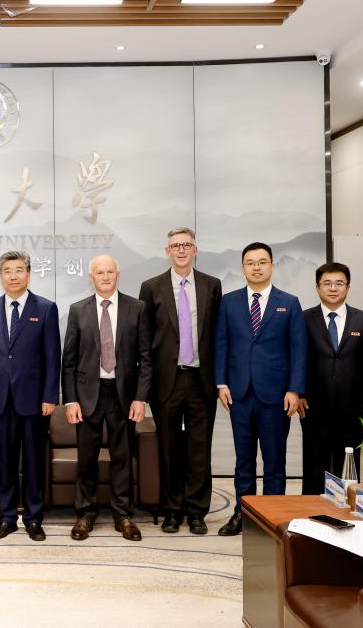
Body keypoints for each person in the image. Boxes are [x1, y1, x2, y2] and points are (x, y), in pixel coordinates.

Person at [215, 242, 307, 536]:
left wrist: (294, 389)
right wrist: (221, 383)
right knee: (243, 461)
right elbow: (221, 343)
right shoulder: (229, 302)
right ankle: (242, 515)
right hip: (239, 394)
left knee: (274, 461)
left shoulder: (289, 302)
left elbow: (298, 349)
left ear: (271, 266)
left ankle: (272, 519)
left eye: (262, 262)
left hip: (276, 395)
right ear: (243, 267)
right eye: (250, 262)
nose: (256, 267)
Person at [138, 227, 222, 535]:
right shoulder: (151, 287)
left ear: (195, 250)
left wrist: (221, 381)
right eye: (176, 246)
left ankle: (197, 511)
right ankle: (172, 510)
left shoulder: (212, 285)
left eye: (187, 245)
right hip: (166, 382)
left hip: (201, 380)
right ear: (167, 251)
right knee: (169, 448)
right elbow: (144, 341)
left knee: (199, 449)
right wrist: (144, 387)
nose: (182, 250)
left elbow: (217, 336)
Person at [62, 255, 151, 542]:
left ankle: (123, 515)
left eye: (110, 271)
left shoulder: (137, 308)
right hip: (87, 394)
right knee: (86, 459)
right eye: (99, 272)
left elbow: (146, 358)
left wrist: (141, 397)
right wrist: (71, 400)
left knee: (122, 457)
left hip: (123, 394)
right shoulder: (78, 310)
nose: (105, 276)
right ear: (91, 277)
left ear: (118, 274)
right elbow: (69, 361)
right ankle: (85, 515)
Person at [0, 250, 61, 541]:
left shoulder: (46, 308)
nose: (13, 276)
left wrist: (50, 395)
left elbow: (53, 357)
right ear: (0, 275)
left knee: (34, 462)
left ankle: (34, 519)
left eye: (18, 270)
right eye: (7, 271)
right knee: (6, 462)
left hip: (35, 400)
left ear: (28, 273)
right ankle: (6, 518)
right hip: (1, 399)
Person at [300, 262, 363, 495]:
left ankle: (347, 506)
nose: (333, 288)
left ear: (348, 287)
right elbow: (296, 359)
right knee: (314, 462)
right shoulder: (304, 318)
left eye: (339, 283)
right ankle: (311, 508)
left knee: (348, 461)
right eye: (327, 283)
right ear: (317, 287)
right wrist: (298, 393)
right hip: (313, 404)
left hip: (352, 404)